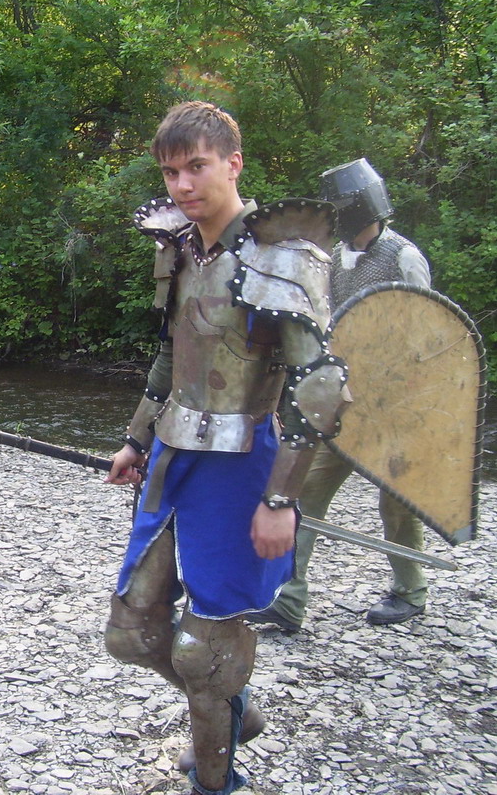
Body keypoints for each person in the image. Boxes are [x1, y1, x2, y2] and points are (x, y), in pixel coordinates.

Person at [103, 101, 350, 795]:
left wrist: (281, 500)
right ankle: (235, 707)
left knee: (204, 645)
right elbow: (170, 356)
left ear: (233, 163)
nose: (182, 185)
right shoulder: (178, 247)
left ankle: (216, 781)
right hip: (172, 455)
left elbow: (318, 386)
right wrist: (135, 437)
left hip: (243, 462)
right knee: (131, 632)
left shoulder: (283, 255)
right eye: (170, 172)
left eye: (197, 167)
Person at [246, 158, 432, 632]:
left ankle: (410, 591)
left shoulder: (402, 257)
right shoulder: (333, 258)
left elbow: (424, 337)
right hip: (340, 402)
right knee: (303, 492)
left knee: (397, 504)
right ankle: (289, 600)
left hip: (393, 406)